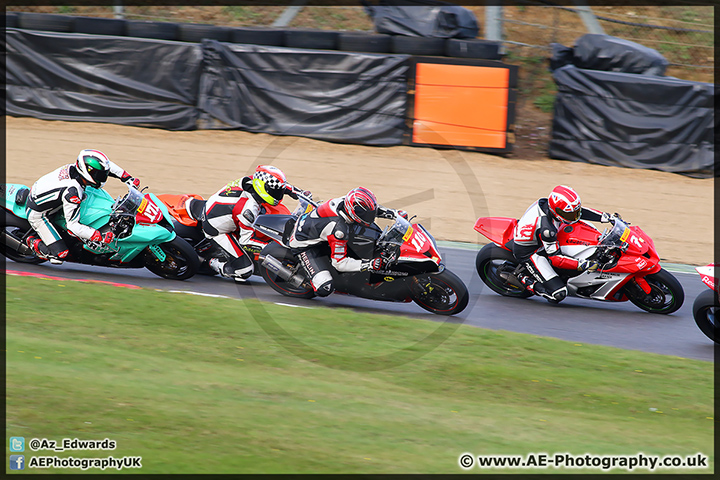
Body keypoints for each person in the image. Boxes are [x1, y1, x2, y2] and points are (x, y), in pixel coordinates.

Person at [286, 186, 407, 297]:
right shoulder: (339, 230)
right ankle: (309, 282)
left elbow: (371, 209)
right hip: (304, 246)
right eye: (364, 214)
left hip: (317, 229)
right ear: (353, 211)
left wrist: (394, 215)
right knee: (324, 288)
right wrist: (368, 264)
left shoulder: (348, 201)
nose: (370, 217)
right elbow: (339, 263)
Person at [190, 165, 303, 283]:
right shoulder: (248, 210)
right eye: (275, 192)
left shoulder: (255, 180)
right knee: (244, 271)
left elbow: (279, 185)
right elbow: (246, 241)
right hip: (216, 229)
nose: (278, 194)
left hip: (223, 209)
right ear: (263, 189)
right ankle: (210, 262)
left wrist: (299, 193)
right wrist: (270, 248)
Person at [26, 149, 140, 264]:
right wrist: (99, 236)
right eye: (99, 175)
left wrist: (127, 178)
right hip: (39, 214)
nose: (103, 177)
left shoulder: (79, 170)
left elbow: (107, 166)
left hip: (51, 197)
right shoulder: (73, 192)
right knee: (60, 256)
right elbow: (72, 226)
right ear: (87, 172)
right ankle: (33, 243)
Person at [513, 185, 618, 303]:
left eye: (574, 213)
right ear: (555, 211)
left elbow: (580, 212)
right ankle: (524, 279)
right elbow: (555, 258)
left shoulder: (551, 206)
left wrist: (607, 217)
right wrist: (582, 264)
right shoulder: (548, 230)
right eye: (570, 215)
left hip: (540, 237)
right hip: (530, 252)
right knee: (558, 294)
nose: (575, 217)